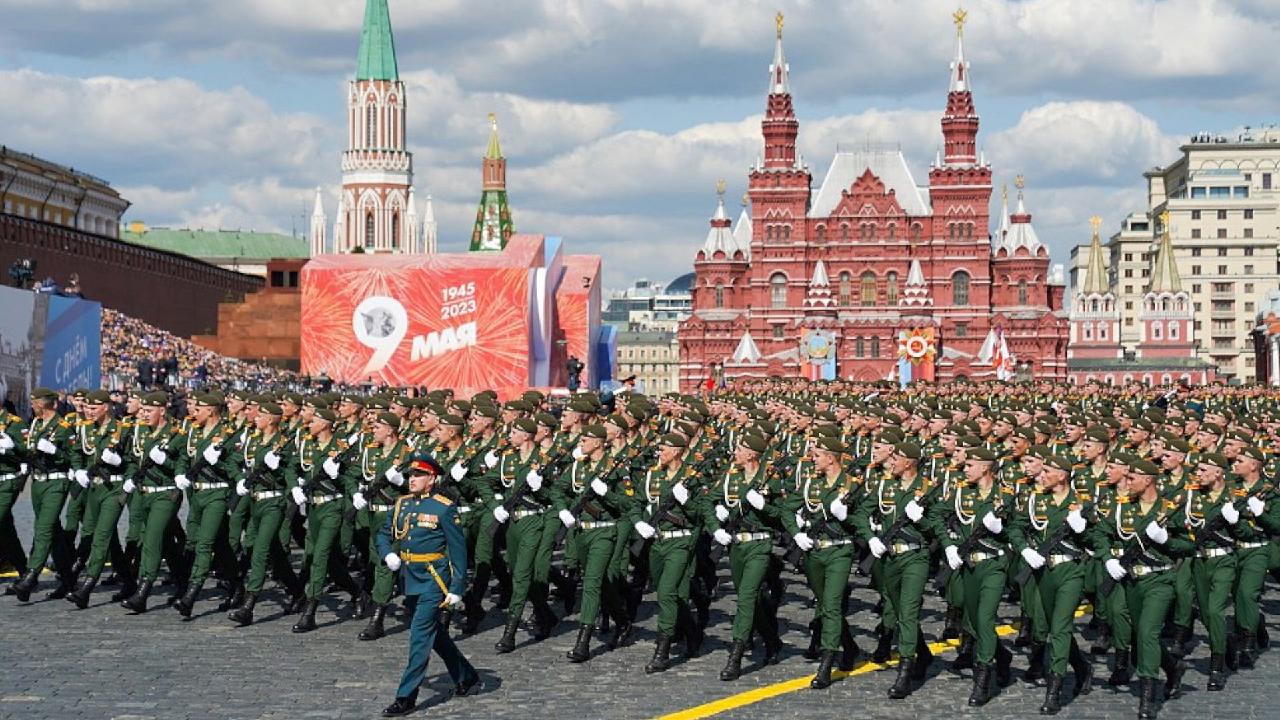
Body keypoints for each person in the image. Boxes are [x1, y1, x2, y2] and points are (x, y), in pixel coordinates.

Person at [376, 452, 480, 717]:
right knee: (435, 633)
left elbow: (458, 551)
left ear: (432, 479)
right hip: (410, 577)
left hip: (434, 579)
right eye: (411, 474)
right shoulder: (402, 504)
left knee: (419, 637)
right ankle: (465, 675)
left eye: (419, 475)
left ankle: (406, 696)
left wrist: (457, 587)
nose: (412, 479)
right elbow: (384, 533)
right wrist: (388, 552)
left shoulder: (444, 507)